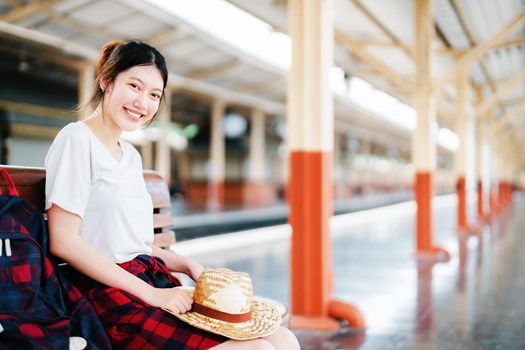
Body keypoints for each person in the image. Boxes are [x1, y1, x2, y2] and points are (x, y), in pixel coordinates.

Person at [45, 40, 300, 350]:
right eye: (134, 86)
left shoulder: (130, 156)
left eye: (154, 94)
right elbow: (64, 241)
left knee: (282, 339)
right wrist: (151, 294)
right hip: (107, 297)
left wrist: (187, 265)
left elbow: (134, 246)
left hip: (148, 282)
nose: (143, 102)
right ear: (106, 80)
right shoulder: (76, 139)